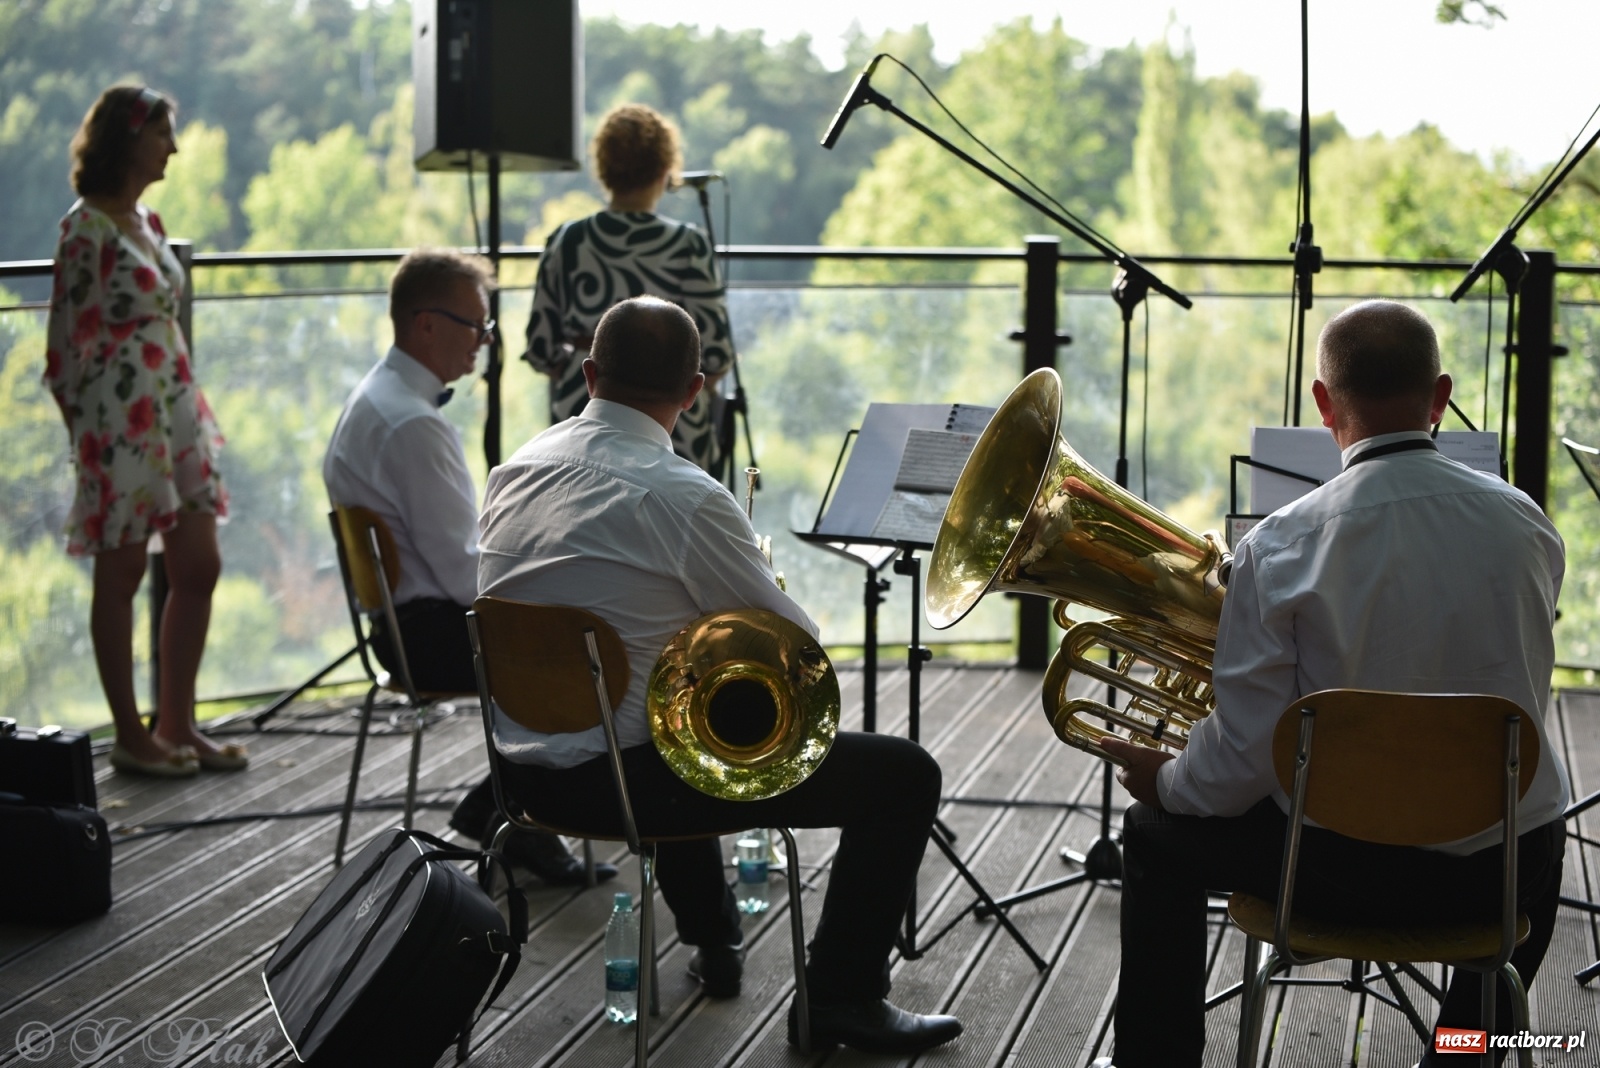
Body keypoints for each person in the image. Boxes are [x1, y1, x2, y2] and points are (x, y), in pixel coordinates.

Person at [480, 296, 962, 1054]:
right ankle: (842, 998)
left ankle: (715, 940)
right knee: (904, 776)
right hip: (634, 786)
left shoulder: (515, 471)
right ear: (694, 390)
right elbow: (797, 647)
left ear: (588, 373)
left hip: (520, 775)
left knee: (666, 711)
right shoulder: (681, 496)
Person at [1097, 300, 1568, 1068]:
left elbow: (1244, 762)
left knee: (1154, 836)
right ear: (1440, 394)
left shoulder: (1281, 544)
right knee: (1540, 831)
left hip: (1329, 874)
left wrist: (1168, 779)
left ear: (1323, 402)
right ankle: (1461, 1054)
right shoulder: (1529, 526)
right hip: (1498, 877)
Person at [322, 248, 615, 888]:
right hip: (430, 637)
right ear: (425, 324)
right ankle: (515, 814)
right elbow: (464, 578)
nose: (484, 342)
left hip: (400, 629)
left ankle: (509, 813)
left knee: (571, 640)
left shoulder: (375, 398)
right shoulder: (414, 426)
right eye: (475, 326)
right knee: (593, 654)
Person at [44, 85, 243, 777]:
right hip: (119, 423)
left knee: (199, 565)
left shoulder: (147, 222)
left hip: (174, 414)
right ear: (128, 140)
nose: (174, 148)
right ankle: (133, 735)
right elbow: (63, 349)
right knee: (123, 570)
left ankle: (178, 722)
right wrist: (87, 444)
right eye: (162, 134)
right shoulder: (86, 231)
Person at [523, 103, 731, 473]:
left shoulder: (567, 240)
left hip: (584, 420)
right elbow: (715, 356)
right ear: (666, 169)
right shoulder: (689, 245)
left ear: (603, 169)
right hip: (674, 431)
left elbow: (540, 349)